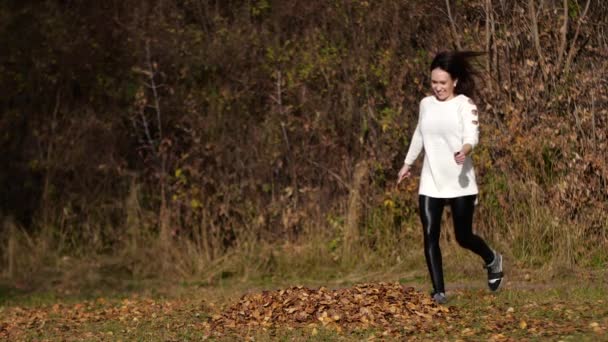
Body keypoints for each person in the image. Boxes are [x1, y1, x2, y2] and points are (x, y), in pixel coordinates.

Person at [397, 51, 503, 304]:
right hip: (431, 180)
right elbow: (419, 135)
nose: (438, 87)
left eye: (443, 82)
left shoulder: (464, 104)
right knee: (430, 234)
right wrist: (407, 164)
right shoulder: (426, 104)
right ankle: (439, 291)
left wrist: (464, 150)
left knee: (462, 237)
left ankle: (492, 259)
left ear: (454, 81)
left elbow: (472, 136)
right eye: (434, 82)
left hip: (460, 181)